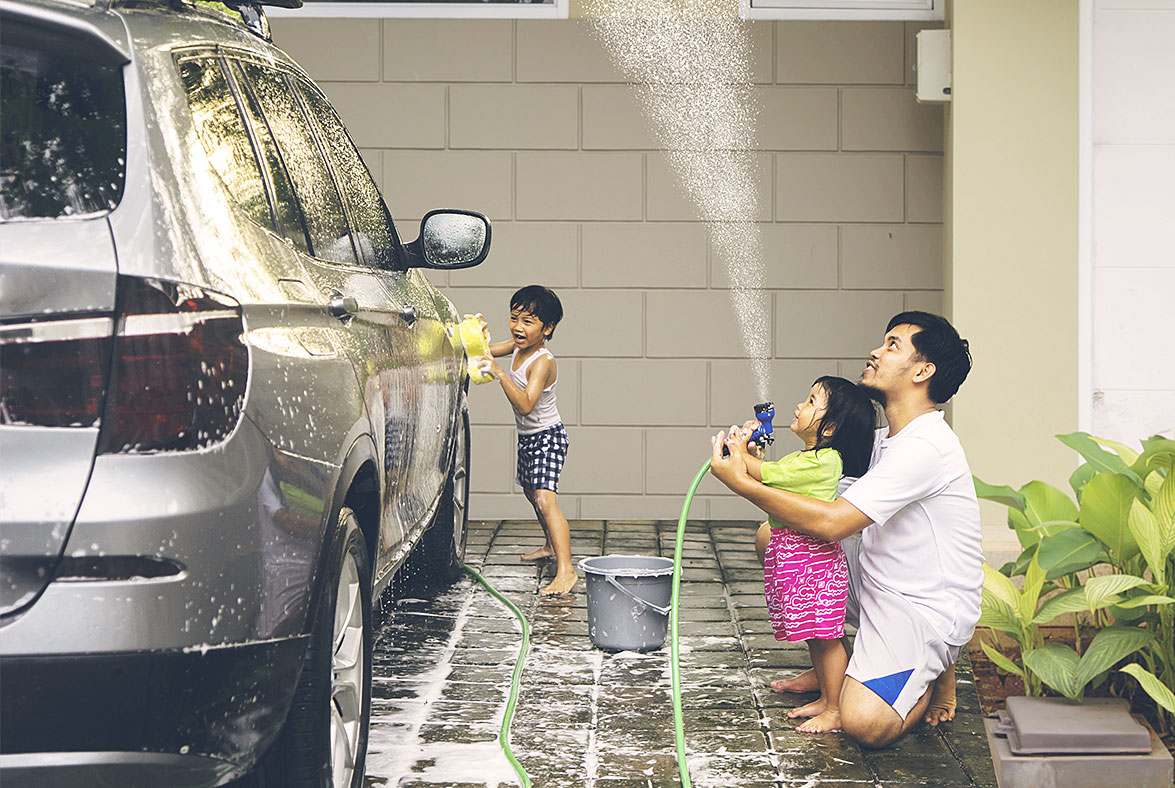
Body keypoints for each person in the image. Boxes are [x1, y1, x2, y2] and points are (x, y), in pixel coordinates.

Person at [709, 312, 981, 748]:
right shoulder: (881, 440)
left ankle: (929, 675)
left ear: (923, 371)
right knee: (773, 539)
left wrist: (741, 483)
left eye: (893, 346)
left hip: (918, 608)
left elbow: (833, 520)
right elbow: (807, 476)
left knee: (863, 723)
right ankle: (832, 668)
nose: (876, 351)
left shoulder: (926, 448)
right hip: (873, 577)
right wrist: (748, 453)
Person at [732, 376, 875, 733]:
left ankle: (837, 708)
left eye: (811, 401)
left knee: (827, 637)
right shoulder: (806, 458)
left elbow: (765, 475)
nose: (799, 406)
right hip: (798, 558)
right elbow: (773, 476)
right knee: (816, 634)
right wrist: (750, 455)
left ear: (829, 428)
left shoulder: (825, 461)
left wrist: (736, 453)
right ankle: (828, 700)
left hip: (812, 562)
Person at [478, 286, 577, 596]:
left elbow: (525, 404)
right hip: (528, 438)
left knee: (546, 501)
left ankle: (567, 572)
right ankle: (549, 545)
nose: (518, 327)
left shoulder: (542, 361)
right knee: (532, 494)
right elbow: (484, 351)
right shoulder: (518, 347)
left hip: (548, 437)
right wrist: (475, 335)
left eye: (529, 321)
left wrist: (498, 373)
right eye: (514, 318)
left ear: (547, 328)